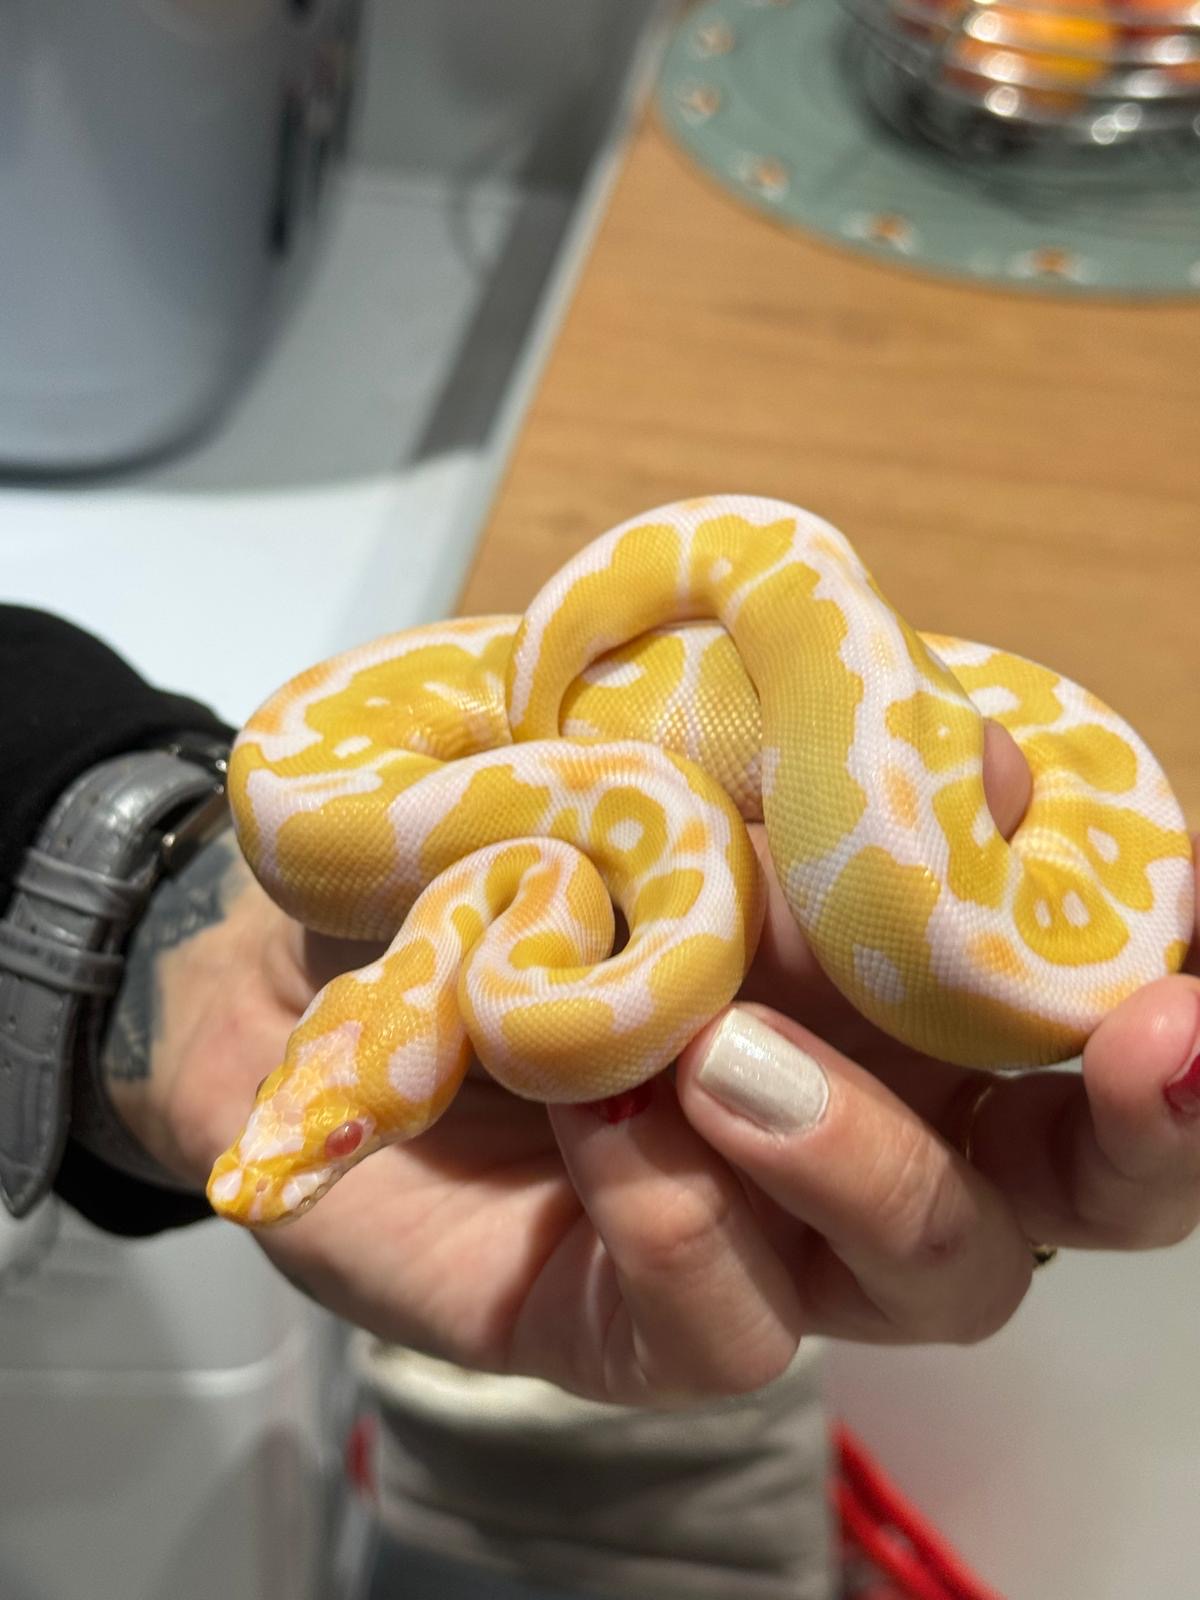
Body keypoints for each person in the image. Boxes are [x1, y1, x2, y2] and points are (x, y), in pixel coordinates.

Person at [3, 603, 1199, 1595]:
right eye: (334, 1133)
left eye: (340, 1130)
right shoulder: (497, 939)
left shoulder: (497, 948)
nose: (279, 1174)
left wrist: (162, 947)